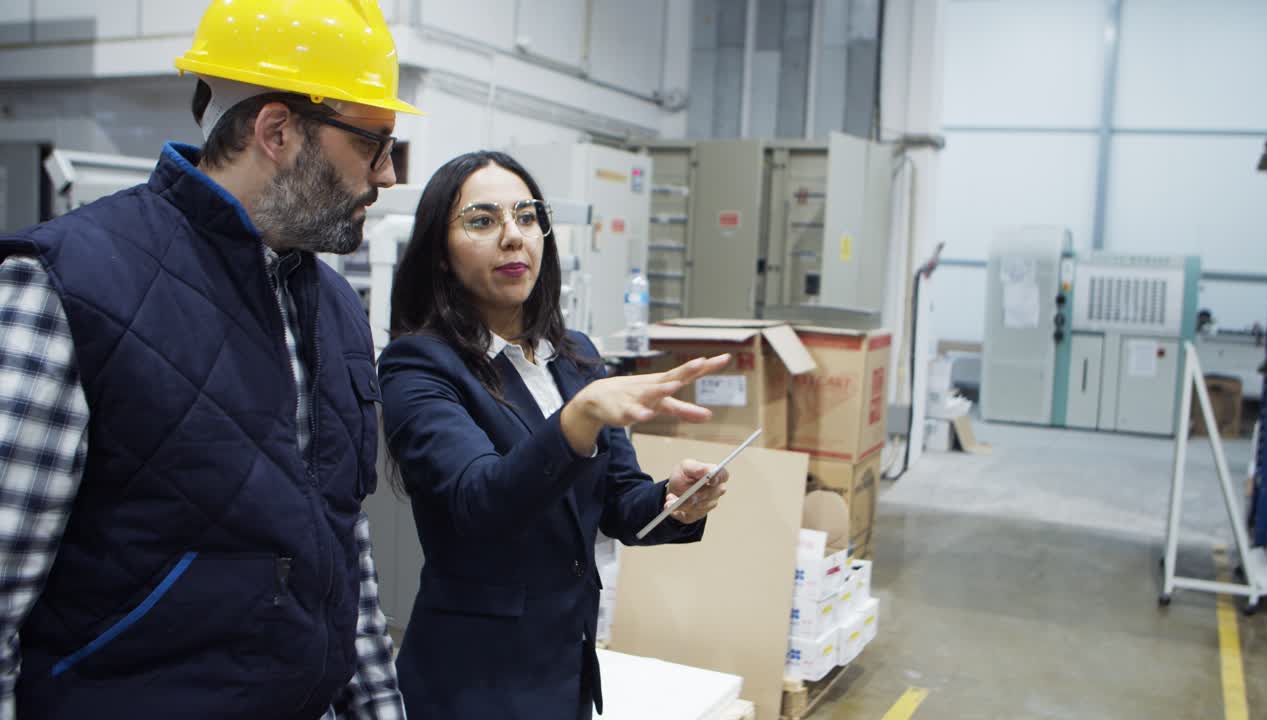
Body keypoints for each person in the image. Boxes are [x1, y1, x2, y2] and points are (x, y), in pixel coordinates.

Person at [0, 1, 420, 718]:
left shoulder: (338, 307)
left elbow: (344, 557)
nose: (387, 176)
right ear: (278, 130)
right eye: (373, 144)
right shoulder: (65, 286)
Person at [377, 150, 735, 720]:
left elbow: (619, 504)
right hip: (474, 685)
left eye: (526, 216)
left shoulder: (575, 356)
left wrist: (676, 501)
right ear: (440, 255)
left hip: (565, 675)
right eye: (482, 220)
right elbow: (479, 504)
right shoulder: (418, 366)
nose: (513, 237)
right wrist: (580, 416)